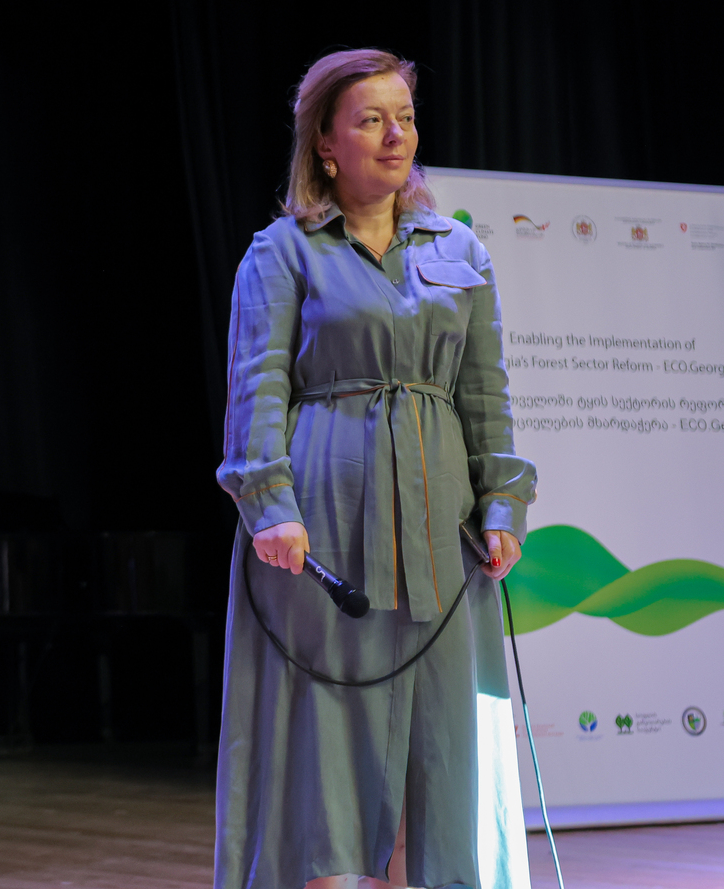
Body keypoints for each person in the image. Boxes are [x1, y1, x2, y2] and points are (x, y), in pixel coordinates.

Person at [214, 49, 536, 889]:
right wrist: (269, 505)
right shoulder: (283, 252)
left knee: (441, 733)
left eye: (405, 118)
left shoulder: (460, 249)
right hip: (325, 525)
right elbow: (257, 387)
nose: (396, 135)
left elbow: (486, 391)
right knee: (327, 733)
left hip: (442, 529)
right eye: (371, 120)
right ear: (325, 143)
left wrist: (503, 503)